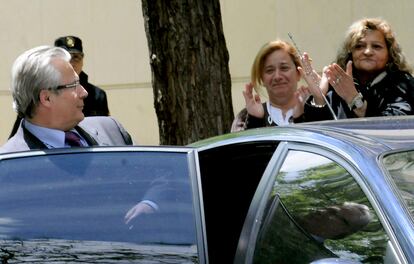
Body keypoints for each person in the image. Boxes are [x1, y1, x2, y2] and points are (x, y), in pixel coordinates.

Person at [0, 45, 131, 153]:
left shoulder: (112, 131)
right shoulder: (10, 165)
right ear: (46, 98)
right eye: (74, 85)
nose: (84, 92)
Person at [303, 17, 414, 120]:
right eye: (359, 46)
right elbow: (319, 135)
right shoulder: (337, 85)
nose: (367, 52)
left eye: (376, 46)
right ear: (350, 53)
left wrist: (355, 100)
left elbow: (397, 125)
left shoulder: (403, 83)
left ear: (390, 54)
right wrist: (319, 98)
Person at [8, 35, 110, 139]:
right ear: (46, 97)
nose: (72, 63)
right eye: (68, 58)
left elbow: (103, 132)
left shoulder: (97, 95)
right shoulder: (35, 91)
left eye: (76, 57)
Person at [240, 39, 312, 129]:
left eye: (284, 68)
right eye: (269, 70)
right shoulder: (245, 116)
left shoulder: (313, 111)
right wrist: (255, 121)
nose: (277, 77)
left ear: (298, 73)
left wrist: (300, 118)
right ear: (262, 78)